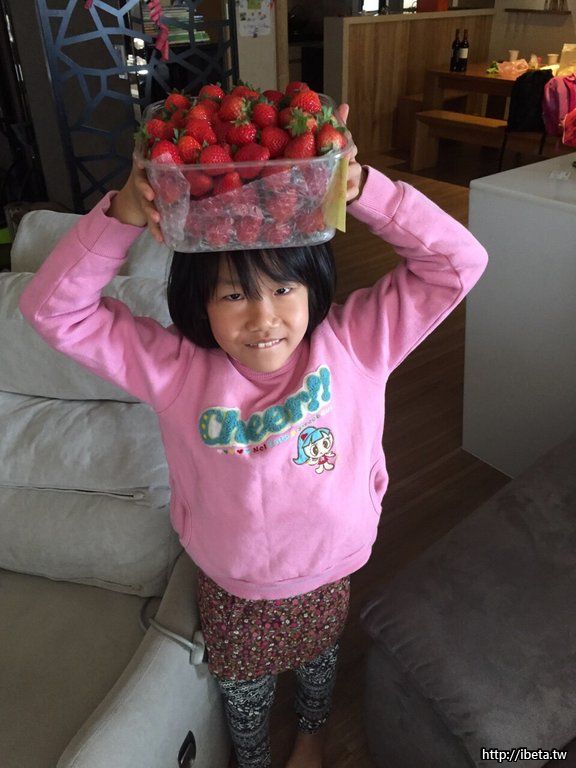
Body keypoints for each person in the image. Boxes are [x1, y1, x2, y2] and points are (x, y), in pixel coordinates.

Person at [19, 104, 488, 768]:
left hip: (331, 570)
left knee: (319, 666)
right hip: (232, 586)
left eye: (283, 288)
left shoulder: (356, 342)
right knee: (244, 696)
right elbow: (53, 310)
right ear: (201, 305)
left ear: (313, 286)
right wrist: (121, 214)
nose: (264, 318)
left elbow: (459, 263)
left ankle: (313, 735)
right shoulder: (177, 368)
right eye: (234, 296)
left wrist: (363, 189)